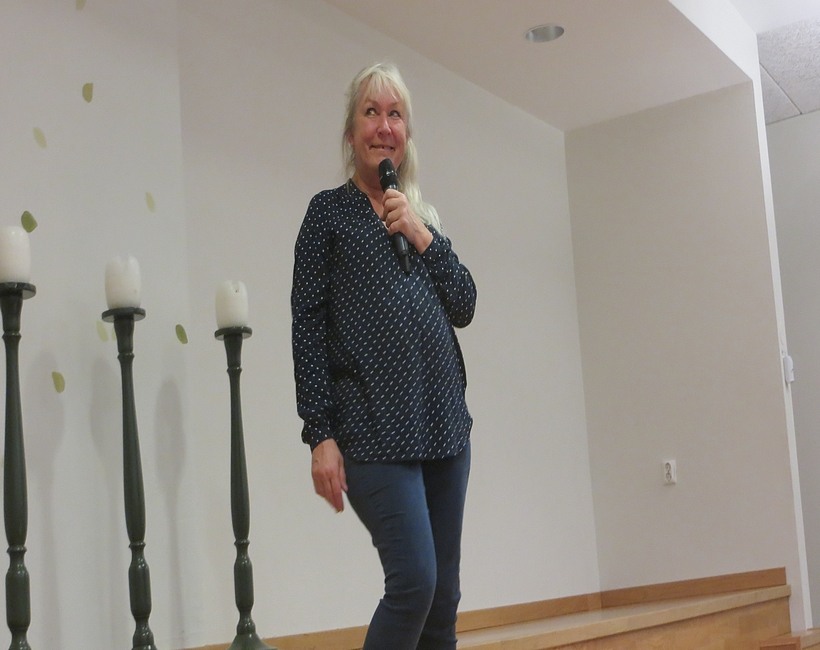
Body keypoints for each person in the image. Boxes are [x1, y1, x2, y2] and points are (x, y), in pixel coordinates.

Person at [291, 61, 476, 649]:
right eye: (370, 112)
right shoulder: (328, 213)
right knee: (415, 582)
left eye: (395, 114)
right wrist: (320, 434)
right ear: (351, 133)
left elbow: (465, 304)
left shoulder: (422, 217)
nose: (384, 126)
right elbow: (307, 327)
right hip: (372, 429)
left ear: (407, 134)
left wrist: (422, 234)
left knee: (443, 600)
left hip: (444, 426)